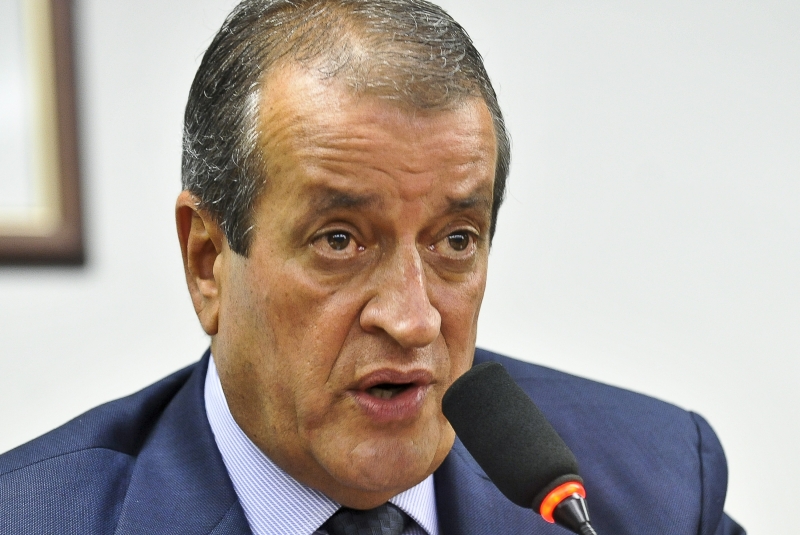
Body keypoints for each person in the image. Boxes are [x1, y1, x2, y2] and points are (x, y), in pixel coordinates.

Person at [0, 1, 745, 534]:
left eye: (456, 241)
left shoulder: (655, 489)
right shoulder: (35, 517)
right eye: (339, 241)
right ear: (207, 262)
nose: (413, 320)